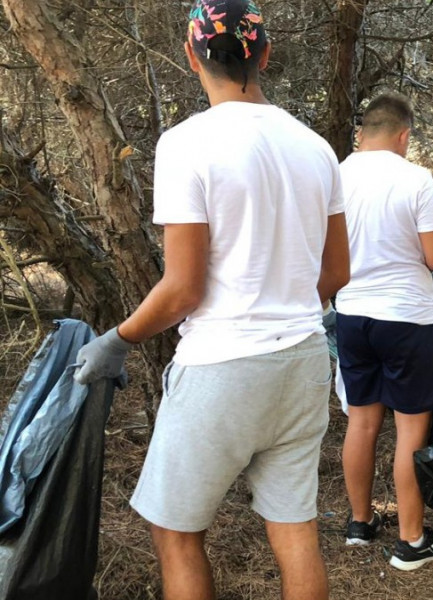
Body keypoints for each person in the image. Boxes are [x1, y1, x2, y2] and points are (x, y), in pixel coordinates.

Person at [72, 2, 349, 599]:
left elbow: (183, 288)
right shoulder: (316, 148)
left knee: (175, 532)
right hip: (302, 360)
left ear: (191, 55)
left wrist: (116, 341)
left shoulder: (186, 144)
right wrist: (284, 303)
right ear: (265, 55)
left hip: (223, 365)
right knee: (294, 528)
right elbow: (337, 271)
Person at [337, 93, 433, 571]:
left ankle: (359, 524)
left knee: (362, 420)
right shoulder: (414, 179)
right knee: (411, 428)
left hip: (352, 315)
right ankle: (411, 541)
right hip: (407, 318)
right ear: (405, 135)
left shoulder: (337, 174)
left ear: (363, 132)